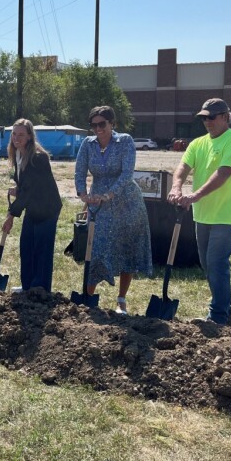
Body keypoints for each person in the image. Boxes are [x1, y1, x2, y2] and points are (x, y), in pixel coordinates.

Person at [168, 98, 231, 325]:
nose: (207, 122)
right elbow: (183, 166)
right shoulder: (198, 143)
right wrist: (176, 186)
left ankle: (219, 315)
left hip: (226, 214)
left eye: (211, 117)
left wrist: (195, 196)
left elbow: (223, 173)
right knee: (206, 263)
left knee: (216, 262)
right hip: (202, 214)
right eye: (203, 118)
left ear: (224, 116)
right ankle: (223, 306)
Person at [74, 105, 152, 314]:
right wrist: (83, 194)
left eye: (102, 124)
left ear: (112, 124)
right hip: (98, 203)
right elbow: (79, 171)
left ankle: (121, 299)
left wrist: (109, 194)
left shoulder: (124, 141)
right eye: (94, 125)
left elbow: (127, 174)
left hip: (126, 201)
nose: (98, 129)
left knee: (127, 248)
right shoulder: (87, 144)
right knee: (96, 247)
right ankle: (88, 296)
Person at [2, 118, 62, 293]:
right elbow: (27, 186)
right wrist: (18, 188)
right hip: (33, 208)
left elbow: (30, 190)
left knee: (42, 251)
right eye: (14, 133)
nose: (16, 137)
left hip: (47, 209)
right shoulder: (18, 155)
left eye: (21, 134)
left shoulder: (38, 157)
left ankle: (40, 289)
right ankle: (28, 285)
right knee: (26, 247)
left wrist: (10, 216)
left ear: (29, 136)